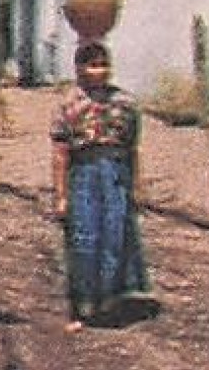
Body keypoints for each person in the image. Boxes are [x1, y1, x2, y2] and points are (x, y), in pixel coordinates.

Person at [50, 42, 147, 332]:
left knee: (115, 237)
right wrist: (61, 195)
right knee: (83, 239)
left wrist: (137, 186)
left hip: (116, 175)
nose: (98, 71)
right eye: (91, 65)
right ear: (78, 69)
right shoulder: (69, 105)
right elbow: (60, 152)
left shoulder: (125, 104)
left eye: (103, 65)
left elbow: (133, 148)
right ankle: (79, 306)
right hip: (83, 175)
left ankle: (109, 300)